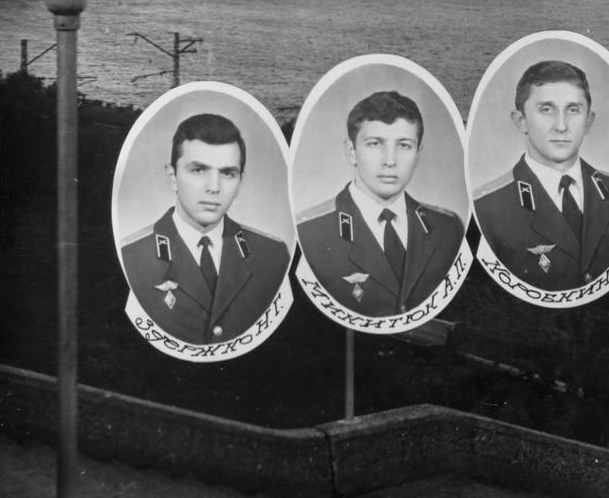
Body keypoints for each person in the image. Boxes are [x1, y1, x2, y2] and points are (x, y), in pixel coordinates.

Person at [120, 114, 290, 345]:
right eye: (198, 170)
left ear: (240, 182)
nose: (214, 187)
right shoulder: (131, 257)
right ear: (172, 177)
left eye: (228, 173)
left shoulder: (272, 255)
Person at [474, 60, 609, 291]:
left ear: (588, 121)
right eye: (546, 109)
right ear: (521, 121)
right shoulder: (488, 207)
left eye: (573, 110)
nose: (561, 126)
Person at [296, 91, 465, 316]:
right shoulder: (309, 233)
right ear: (351, 151)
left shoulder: (447, 227)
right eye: (375, 144)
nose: (390, 161)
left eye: (404, 145)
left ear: (417, 155)